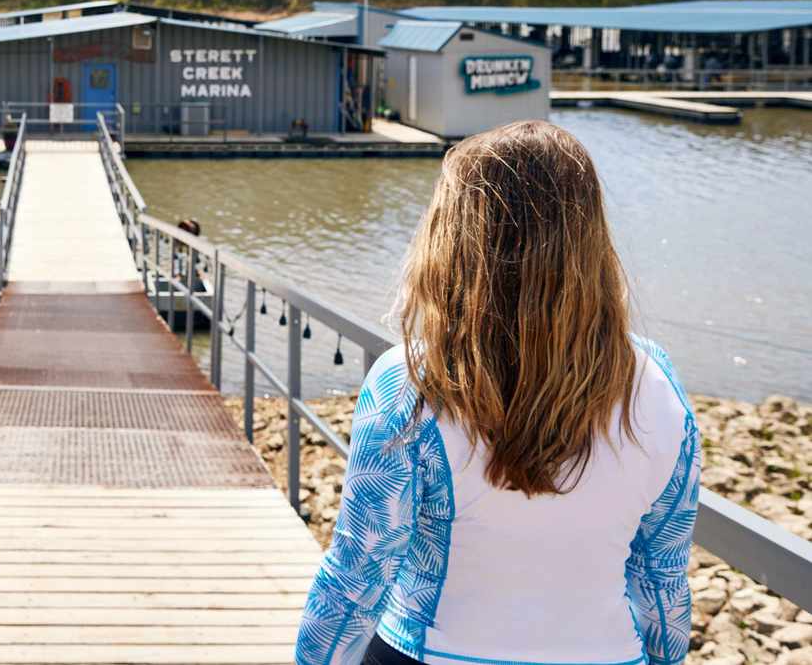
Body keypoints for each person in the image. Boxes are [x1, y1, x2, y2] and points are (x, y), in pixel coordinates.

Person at [297, 120, 699, 665]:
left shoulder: (411, 383)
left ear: (454, 238)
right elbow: (662, 577)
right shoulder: (658, 382)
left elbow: (358, 573)